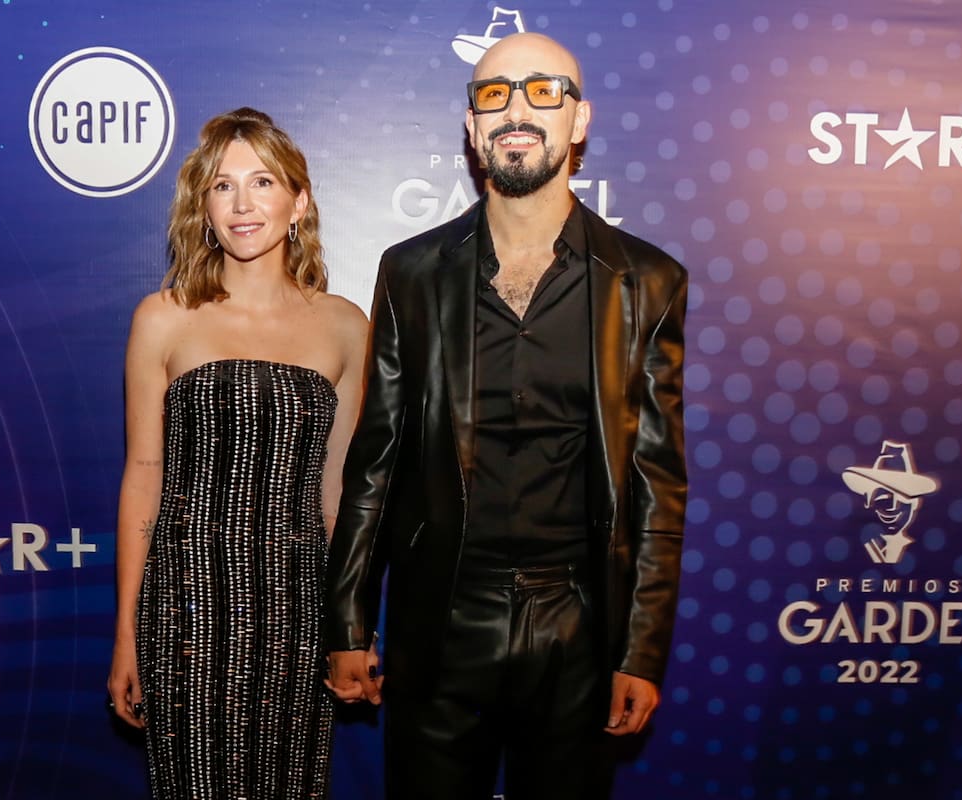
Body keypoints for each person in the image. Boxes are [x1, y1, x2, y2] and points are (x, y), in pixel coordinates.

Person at [324, 32, 688, 799]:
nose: (516, 111)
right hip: (442, 618)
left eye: (543, 91)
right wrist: (348, 622)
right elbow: (375, 460)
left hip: (579, 627)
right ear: (472, 126)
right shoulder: (411, 272)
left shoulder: (649, 281)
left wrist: (641, 649)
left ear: (578, 120)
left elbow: (657, 485)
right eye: (494, 94)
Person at [107, 107, 370, 799]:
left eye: (262, 182)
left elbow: (340, 495)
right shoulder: (162, 317)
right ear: (204, 207)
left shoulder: (346, 325)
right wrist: (127, 633)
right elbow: (143, 479)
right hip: (186, 607)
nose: (243, 204)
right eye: (223, 186)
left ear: (299, 202)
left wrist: (350, 627)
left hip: (297, 607)